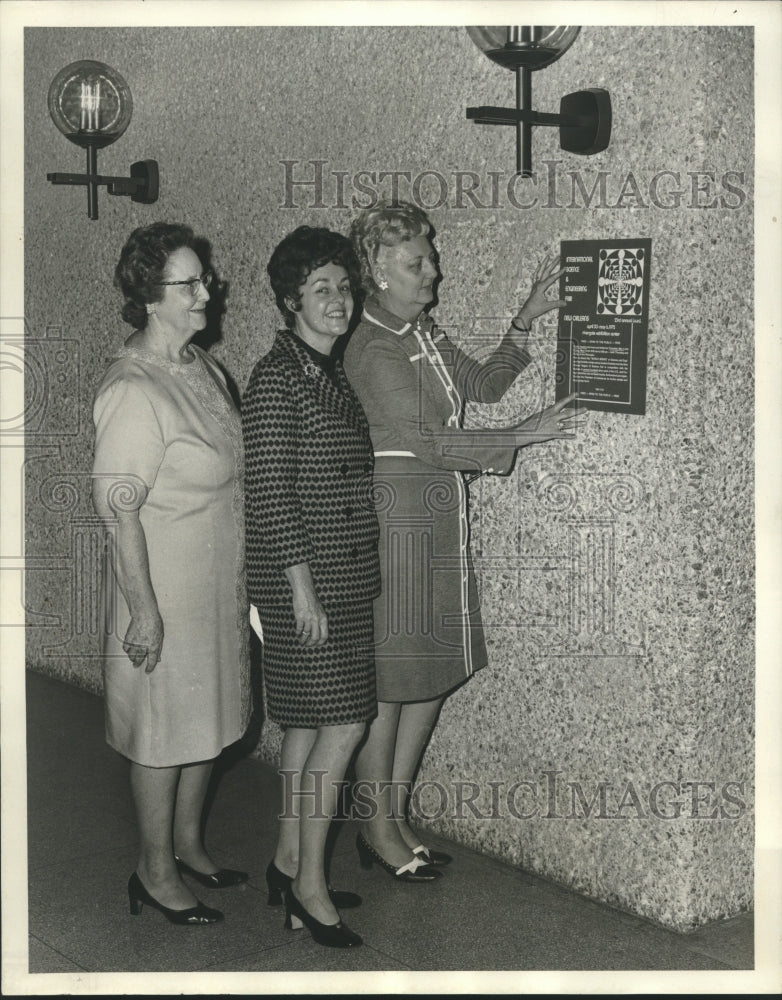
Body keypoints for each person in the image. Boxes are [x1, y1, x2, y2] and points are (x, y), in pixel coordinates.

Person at [343, 201, 579, 879]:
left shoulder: (419, 331)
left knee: (429, 678)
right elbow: (426, 440)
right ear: (378, 273)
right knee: (392, 683)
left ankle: (394, 814)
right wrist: (518, 437)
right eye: (417, 262)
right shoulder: (374, 343)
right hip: (398, 524)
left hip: (437, 514)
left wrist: (524, 321)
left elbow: (483, 384)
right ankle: (376, 828)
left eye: (431, 256)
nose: (434, 271)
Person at [92, 222, 251, 926]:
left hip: (214, 583)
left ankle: (188, 845)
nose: (206, 290)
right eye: (188, 283)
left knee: (206, 719)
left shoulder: (203, 368)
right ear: (150, 300)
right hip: (160, 588)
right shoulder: (133, 388)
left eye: (204, 278)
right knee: (162, 733)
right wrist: (145, 613)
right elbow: (118, 512)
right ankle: (153, 871)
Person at [242, 226, 381, 948]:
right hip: (308, 584)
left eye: (344, 286)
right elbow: (269, 494)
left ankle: (287, 861)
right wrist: (300, 591)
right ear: (292, 298)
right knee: (345, 724)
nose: (339, 299)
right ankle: (310, 891)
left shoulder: (324, 369)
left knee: (305, 725)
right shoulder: (278, 377)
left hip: (342, 577)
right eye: (321, 288)